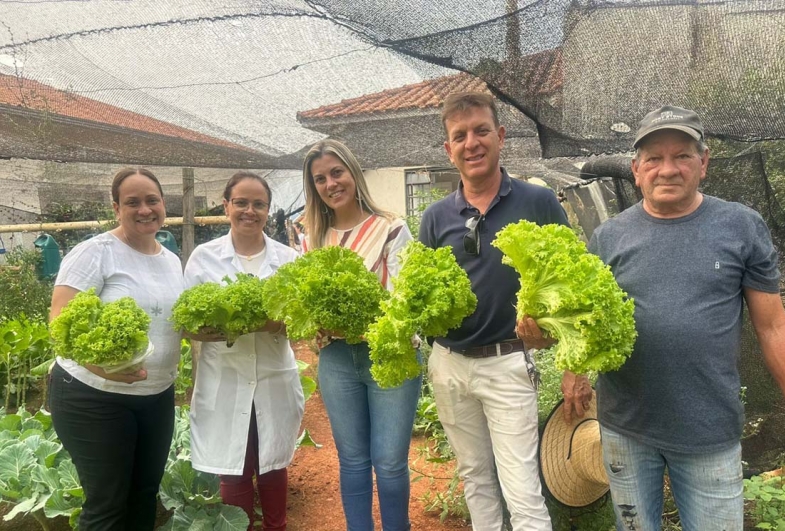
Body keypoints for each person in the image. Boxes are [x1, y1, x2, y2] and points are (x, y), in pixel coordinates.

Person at [553, 105, 785, 530]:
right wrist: (573, 370)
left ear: (704, 163)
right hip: (626, 426)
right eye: (654, 159)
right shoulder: (609, 237)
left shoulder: (740, 226)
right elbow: (584, 319)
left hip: (708, 427)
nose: (668, 169)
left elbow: (773, 326)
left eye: (682, 155)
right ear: (637, 169)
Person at [418, 92, 569, 531]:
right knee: (476, 479)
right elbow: (422, 293)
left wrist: (566, 354)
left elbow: (571, 284)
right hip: (449, 365)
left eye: (481, 131)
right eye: (459, 136)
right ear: (449, 150)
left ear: (500, 137)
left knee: (521, 487)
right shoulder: (435, 217)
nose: (472, 143)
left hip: (507, 364)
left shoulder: (537, 202)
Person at [49, 167, 185, 530]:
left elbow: (176, 321)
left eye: (152, 200)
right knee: (107, 505)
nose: (144, 209)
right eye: (132, 202)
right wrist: (100, 367)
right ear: (116, 208)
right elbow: (60, 322)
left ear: (163, 204)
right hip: (92, 397)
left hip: (155, 396)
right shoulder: (95, 252)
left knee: (143, 495)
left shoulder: (171, 260)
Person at [302, 139, 422, 531]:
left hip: (390, 356)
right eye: (320, 179)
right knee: (352, 461)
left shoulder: (391, 228)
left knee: (389, 462)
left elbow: (403, 301)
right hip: (337, 361)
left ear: (353, 173)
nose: (331, 184)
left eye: (337, 173)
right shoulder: (312, 238)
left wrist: (354, 323)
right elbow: (306, 302)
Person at [183, 172, 305, 531]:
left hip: (273, 376)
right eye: (241, 202)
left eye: (259, 204)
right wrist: (228, 326)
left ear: (268, 210)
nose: (249, 211)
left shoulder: (288, 259)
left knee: (272, 464)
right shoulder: (203, 258)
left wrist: (270, 323)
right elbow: (186, 324)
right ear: (226, 206)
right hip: (224, 379)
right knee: (232, 466)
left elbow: (302, 323)